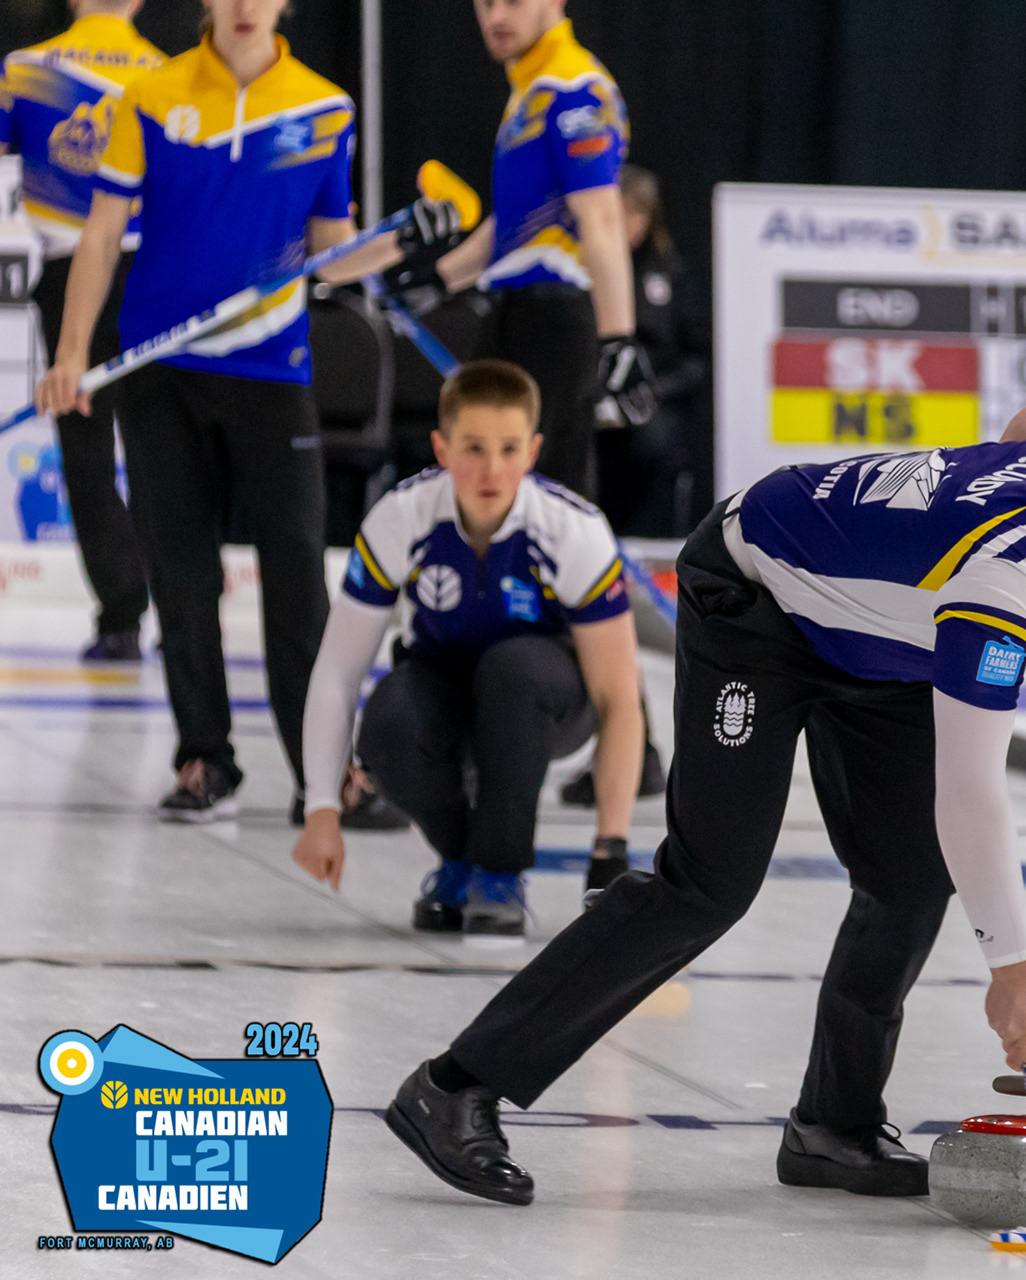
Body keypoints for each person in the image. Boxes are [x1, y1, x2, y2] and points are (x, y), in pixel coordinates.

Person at [382, 404, 1026, 1207]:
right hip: (759, 601)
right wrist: (1017, 971)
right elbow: (970, 795)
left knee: (912, 875)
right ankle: (455, 1086)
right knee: (708, 883)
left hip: (879, 632)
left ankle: (834, 1125)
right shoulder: (1002, 595)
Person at [35, 0, 463, 823]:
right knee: (181, 571)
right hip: (161, 370)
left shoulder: (323, 107)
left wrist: (409, 238)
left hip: (272, 371)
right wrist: (71, 353)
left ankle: (325, 769)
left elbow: (332, 254)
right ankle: (205, 758)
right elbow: (102, 234)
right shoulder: (150, 96)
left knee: (297, 572)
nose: (242, 5)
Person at [290, 360, 643, 938]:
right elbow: (336, 673)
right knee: (388, 723)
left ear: (533, 452)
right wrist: (322, 811)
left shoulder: (575, 531)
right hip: (447, 695)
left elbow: (619, 699)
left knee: (514, 671)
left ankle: (500, 876)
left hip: (546, 704)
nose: (491, 469)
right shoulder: (400, 519)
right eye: (473, 448)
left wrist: (610, 851)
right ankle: (460, 861)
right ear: (442, 449)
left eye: (509, 449)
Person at [424, 0, 638, 501]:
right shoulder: (530, 88)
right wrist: (436, 279)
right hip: (512, 315)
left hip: (555, 320)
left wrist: (619, 339)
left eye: (514, 2)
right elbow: (514, 225)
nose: (497, 17)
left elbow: (601, 218)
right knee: (481, 488)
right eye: (486, 3)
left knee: (548, 498)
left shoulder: (573, 86)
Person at [1, 0, 161, 662]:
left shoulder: (24, 69)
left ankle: (122, 616)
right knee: (161, 448)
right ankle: (179, 606)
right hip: (155, 274)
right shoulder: (167, 75)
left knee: (87, 447)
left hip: (72, 275)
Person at [593, 164, 708, 537]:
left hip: (652, 406)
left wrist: (654, 390)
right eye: (623, 211)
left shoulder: (671, 272)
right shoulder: (583, 268)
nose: (631, 223)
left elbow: (696, 359)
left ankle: (650, 541)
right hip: (594, 397)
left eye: (639, 212)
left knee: (653, 443)